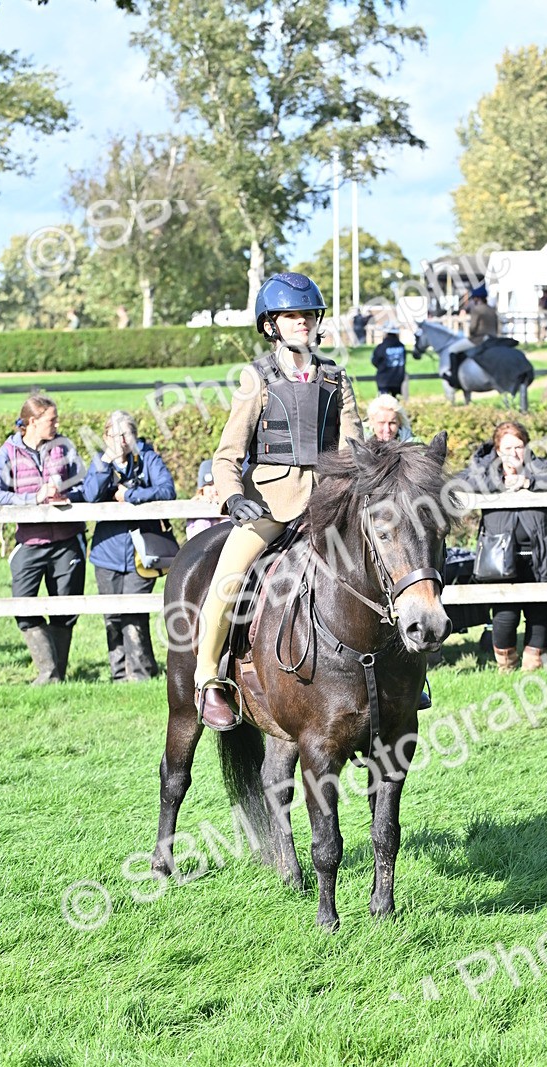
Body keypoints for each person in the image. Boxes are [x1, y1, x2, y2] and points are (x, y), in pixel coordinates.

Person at [195, 270, 364, 730]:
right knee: (227, 581)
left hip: (329, 505)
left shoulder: (336, 377)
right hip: (270, 505)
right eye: (291, 316)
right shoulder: (257, 378)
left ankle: (399, 673)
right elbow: (227, 454)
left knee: (383, 565)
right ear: (271, 324)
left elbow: (353, 447)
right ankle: (208, 679)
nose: (302, 323)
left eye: (308, 315)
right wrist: (233, 498)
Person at [452, 421, 547, 673]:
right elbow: (459, 482)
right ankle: (506, 668)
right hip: (499, 557)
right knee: (504, 615)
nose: (514, 453)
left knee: (539, 613)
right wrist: (500, 482)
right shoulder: (483, 469)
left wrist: (527, 482)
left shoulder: (538, 466)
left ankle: (533, 667)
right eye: (507, 447)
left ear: (527, 447)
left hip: (540, 554)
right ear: (498, 450)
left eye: (519, 446)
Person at [0, 391, 86, 684]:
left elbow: (86, 484)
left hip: (67, 541)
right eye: (51, 420)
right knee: (23, 607)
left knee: (66, 609)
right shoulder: (7, 453)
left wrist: (65, 496)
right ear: (32, 421)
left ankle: (56, 676)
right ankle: (49, 672)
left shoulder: (63, 446)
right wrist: (33, 497)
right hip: (29, 542)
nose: (57, 424)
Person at [82, 410, 176, 682]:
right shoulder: (100, 463)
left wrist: (129, 495)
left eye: (127, 434)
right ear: (105, 437)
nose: (122, 440)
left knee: (134, 612)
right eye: (115, 434)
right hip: (106, 551)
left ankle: (141, 673)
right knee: (112, 614)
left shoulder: (147, 457)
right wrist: (106, 462)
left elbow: (167, 490)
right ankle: (118, 674)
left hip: (142, 552)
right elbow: (90, 495)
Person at [186, 459, 225, 541]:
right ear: (202, 489)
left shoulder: (232, 506)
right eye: (210, 485)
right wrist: (202, 505)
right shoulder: (195, 510)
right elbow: (197, 541)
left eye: (217, 484)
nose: (214, 489)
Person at [371, 325, 407, 396]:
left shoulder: (382, 346)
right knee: (395, 402)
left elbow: (374, 361)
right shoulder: (401, 346)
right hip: (398, 379)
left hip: (384, 380)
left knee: (384, 403)